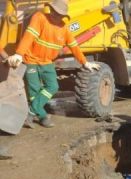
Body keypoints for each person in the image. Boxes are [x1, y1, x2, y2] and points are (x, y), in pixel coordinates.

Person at [7, 0, 100, 128]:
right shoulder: (39, 18)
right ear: (50, 9)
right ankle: (43, 116)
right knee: (34, 91)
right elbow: (29, 36)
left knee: (53, 86)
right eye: (55, 12)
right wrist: (19, 54)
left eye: (60, 14)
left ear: (64, 16)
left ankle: (31, 112)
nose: (56, 15)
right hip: (31, 60)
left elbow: (74, 47)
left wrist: (85, 63)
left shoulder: (64, 29)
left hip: (47, 63)